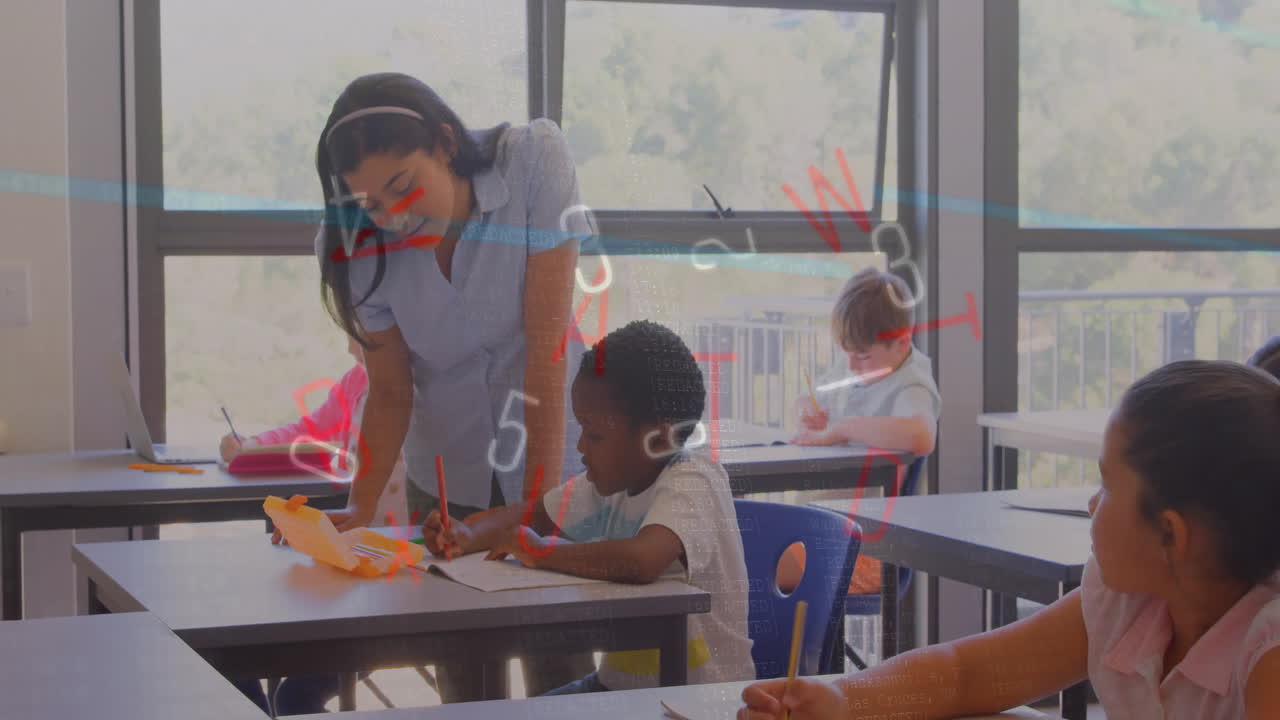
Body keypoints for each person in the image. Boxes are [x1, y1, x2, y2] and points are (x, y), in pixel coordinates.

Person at [739, 360, 1280, 720]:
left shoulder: (1267, 646)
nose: (1092, 503)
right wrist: (842, 700)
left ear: (1170, 534)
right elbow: (964, 674)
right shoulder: (1129, 602)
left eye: (1108, 486)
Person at [313, 72, 591, 701]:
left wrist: (537, 511)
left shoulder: (531, 162)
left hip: (548, 447)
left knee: (562, 667)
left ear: (444, 143)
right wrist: (359, 506)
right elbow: (388, 393)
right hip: (446, 471)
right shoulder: (358, 244)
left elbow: (544, 348)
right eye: (371, 204)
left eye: (403, 188)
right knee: (463, 673)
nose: (393, 216)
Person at [423, 321, 756, 693]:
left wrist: (540, 551)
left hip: (699, 702)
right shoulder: (614, 481)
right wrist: (466, 534)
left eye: (595, 434)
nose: (581, 447)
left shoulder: (693, 481)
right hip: (619, 691)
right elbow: (533, 514)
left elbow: (642, 560)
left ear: (656, 438)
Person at [224, 336, 400, 715]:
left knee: (292, 697)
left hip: (383, 595)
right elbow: (312, 429)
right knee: (229, 652)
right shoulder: (358, 380)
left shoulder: (417, 395)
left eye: (358, 332)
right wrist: (251, 445)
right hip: (346, 574)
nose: (350, 344)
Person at [778, 267, 940, 597]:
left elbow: (922, 435)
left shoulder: (911, 386)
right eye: (847, 354)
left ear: (902, 343)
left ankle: (796, 649)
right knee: (741, 553)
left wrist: (841, 429)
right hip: (820, 528)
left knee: (753, 567)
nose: (851, 366)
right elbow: (805, 401)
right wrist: (804, 411)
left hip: (867, 547)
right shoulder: (856, 366)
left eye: (862, 356)